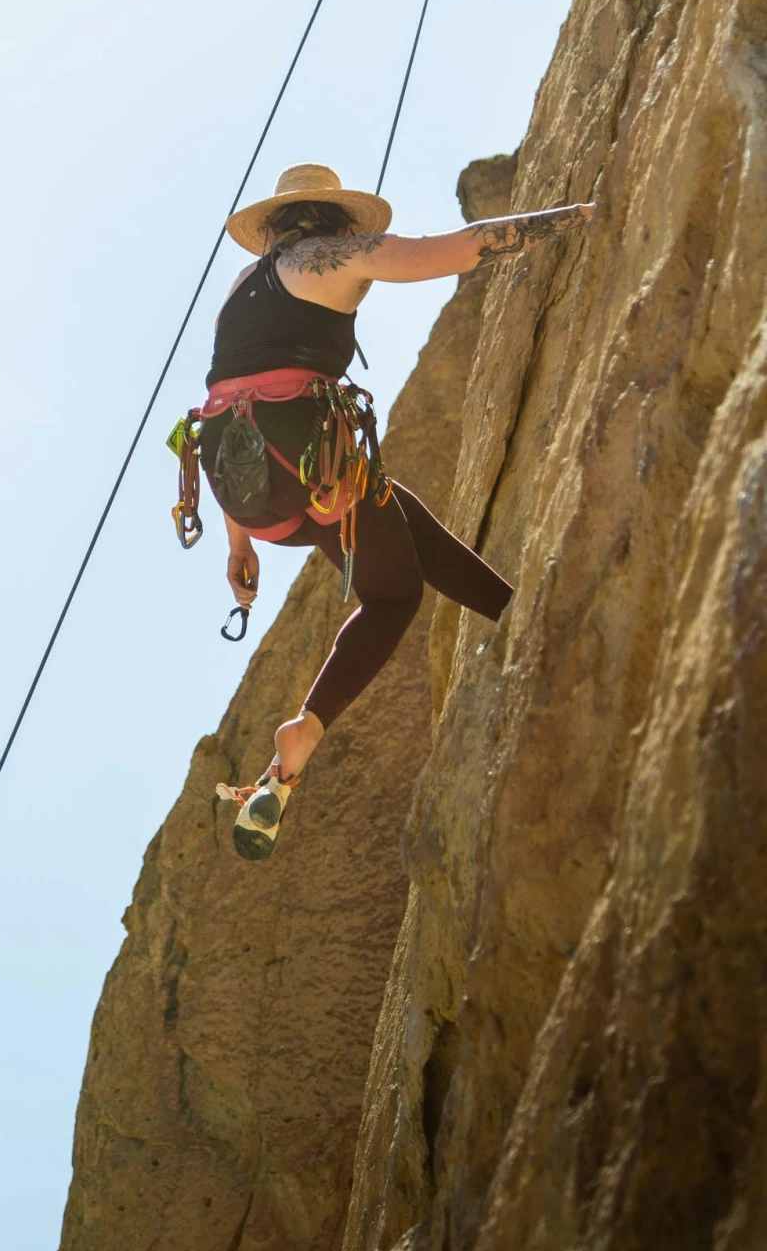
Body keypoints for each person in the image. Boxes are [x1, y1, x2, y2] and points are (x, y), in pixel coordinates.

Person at [182, 162, 593, 860]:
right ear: (335, 222)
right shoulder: (323, 259)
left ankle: (514, 615)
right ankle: (305, 728)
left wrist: (239, 545)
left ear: (273, 228)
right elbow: (455, 249)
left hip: (246, 486)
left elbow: (234, 402)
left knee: (400, 521)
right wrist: (579, 214)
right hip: (301, 459)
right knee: (390, 593)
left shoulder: (240, 291)